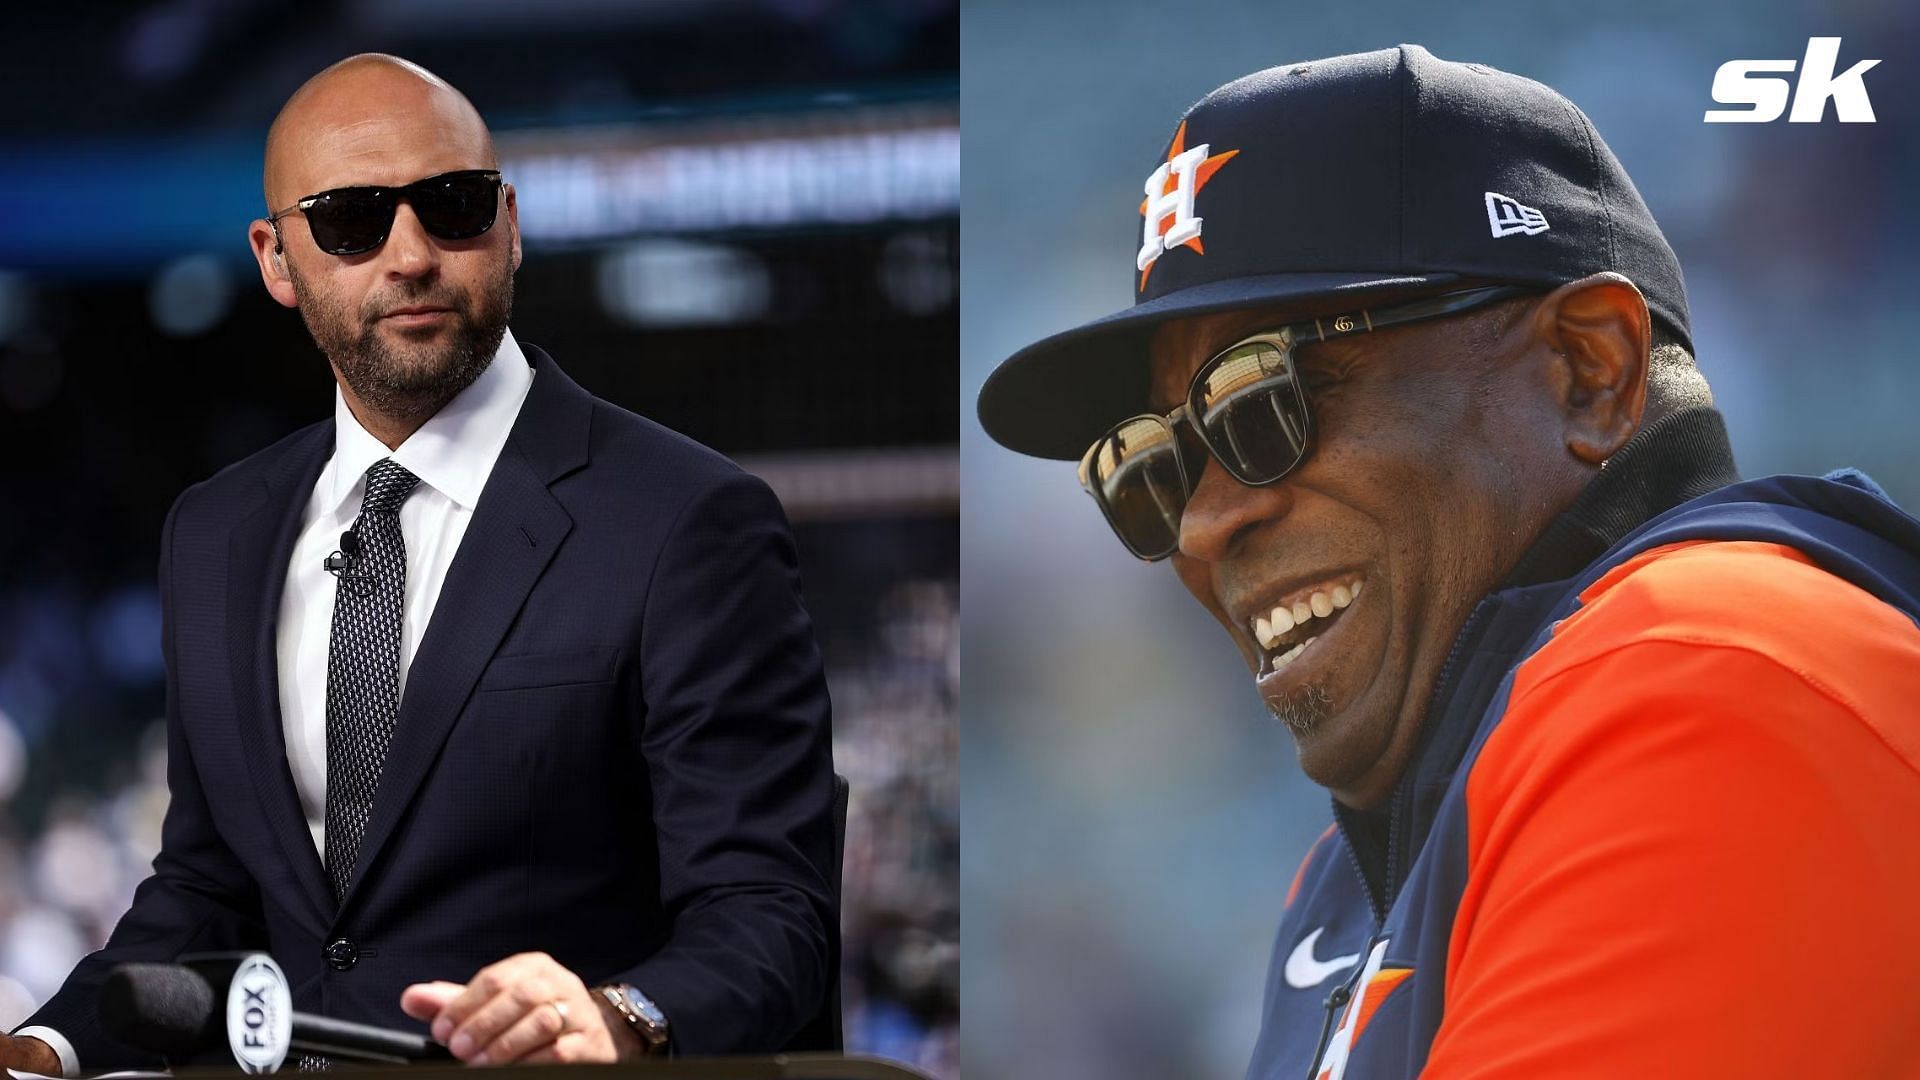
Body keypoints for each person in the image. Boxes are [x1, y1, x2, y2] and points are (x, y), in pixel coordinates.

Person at [978, 44, 1920, 1079]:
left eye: (1265, 403)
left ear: (1588, 370)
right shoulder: (1351, 874)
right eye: (1151, 465)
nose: (1202, 527)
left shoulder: (1707, 667)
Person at [1, 53, 837, 1073]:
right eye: (353, 220)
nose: (411, 254)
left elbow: (771, 911)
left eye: (453, 206)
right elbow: (206, 891)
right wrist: (46, 1048)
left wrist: (619, 1018)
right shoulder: (213, 532)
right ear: (275, 259)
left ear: (510, 225)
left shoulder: (688, 518)